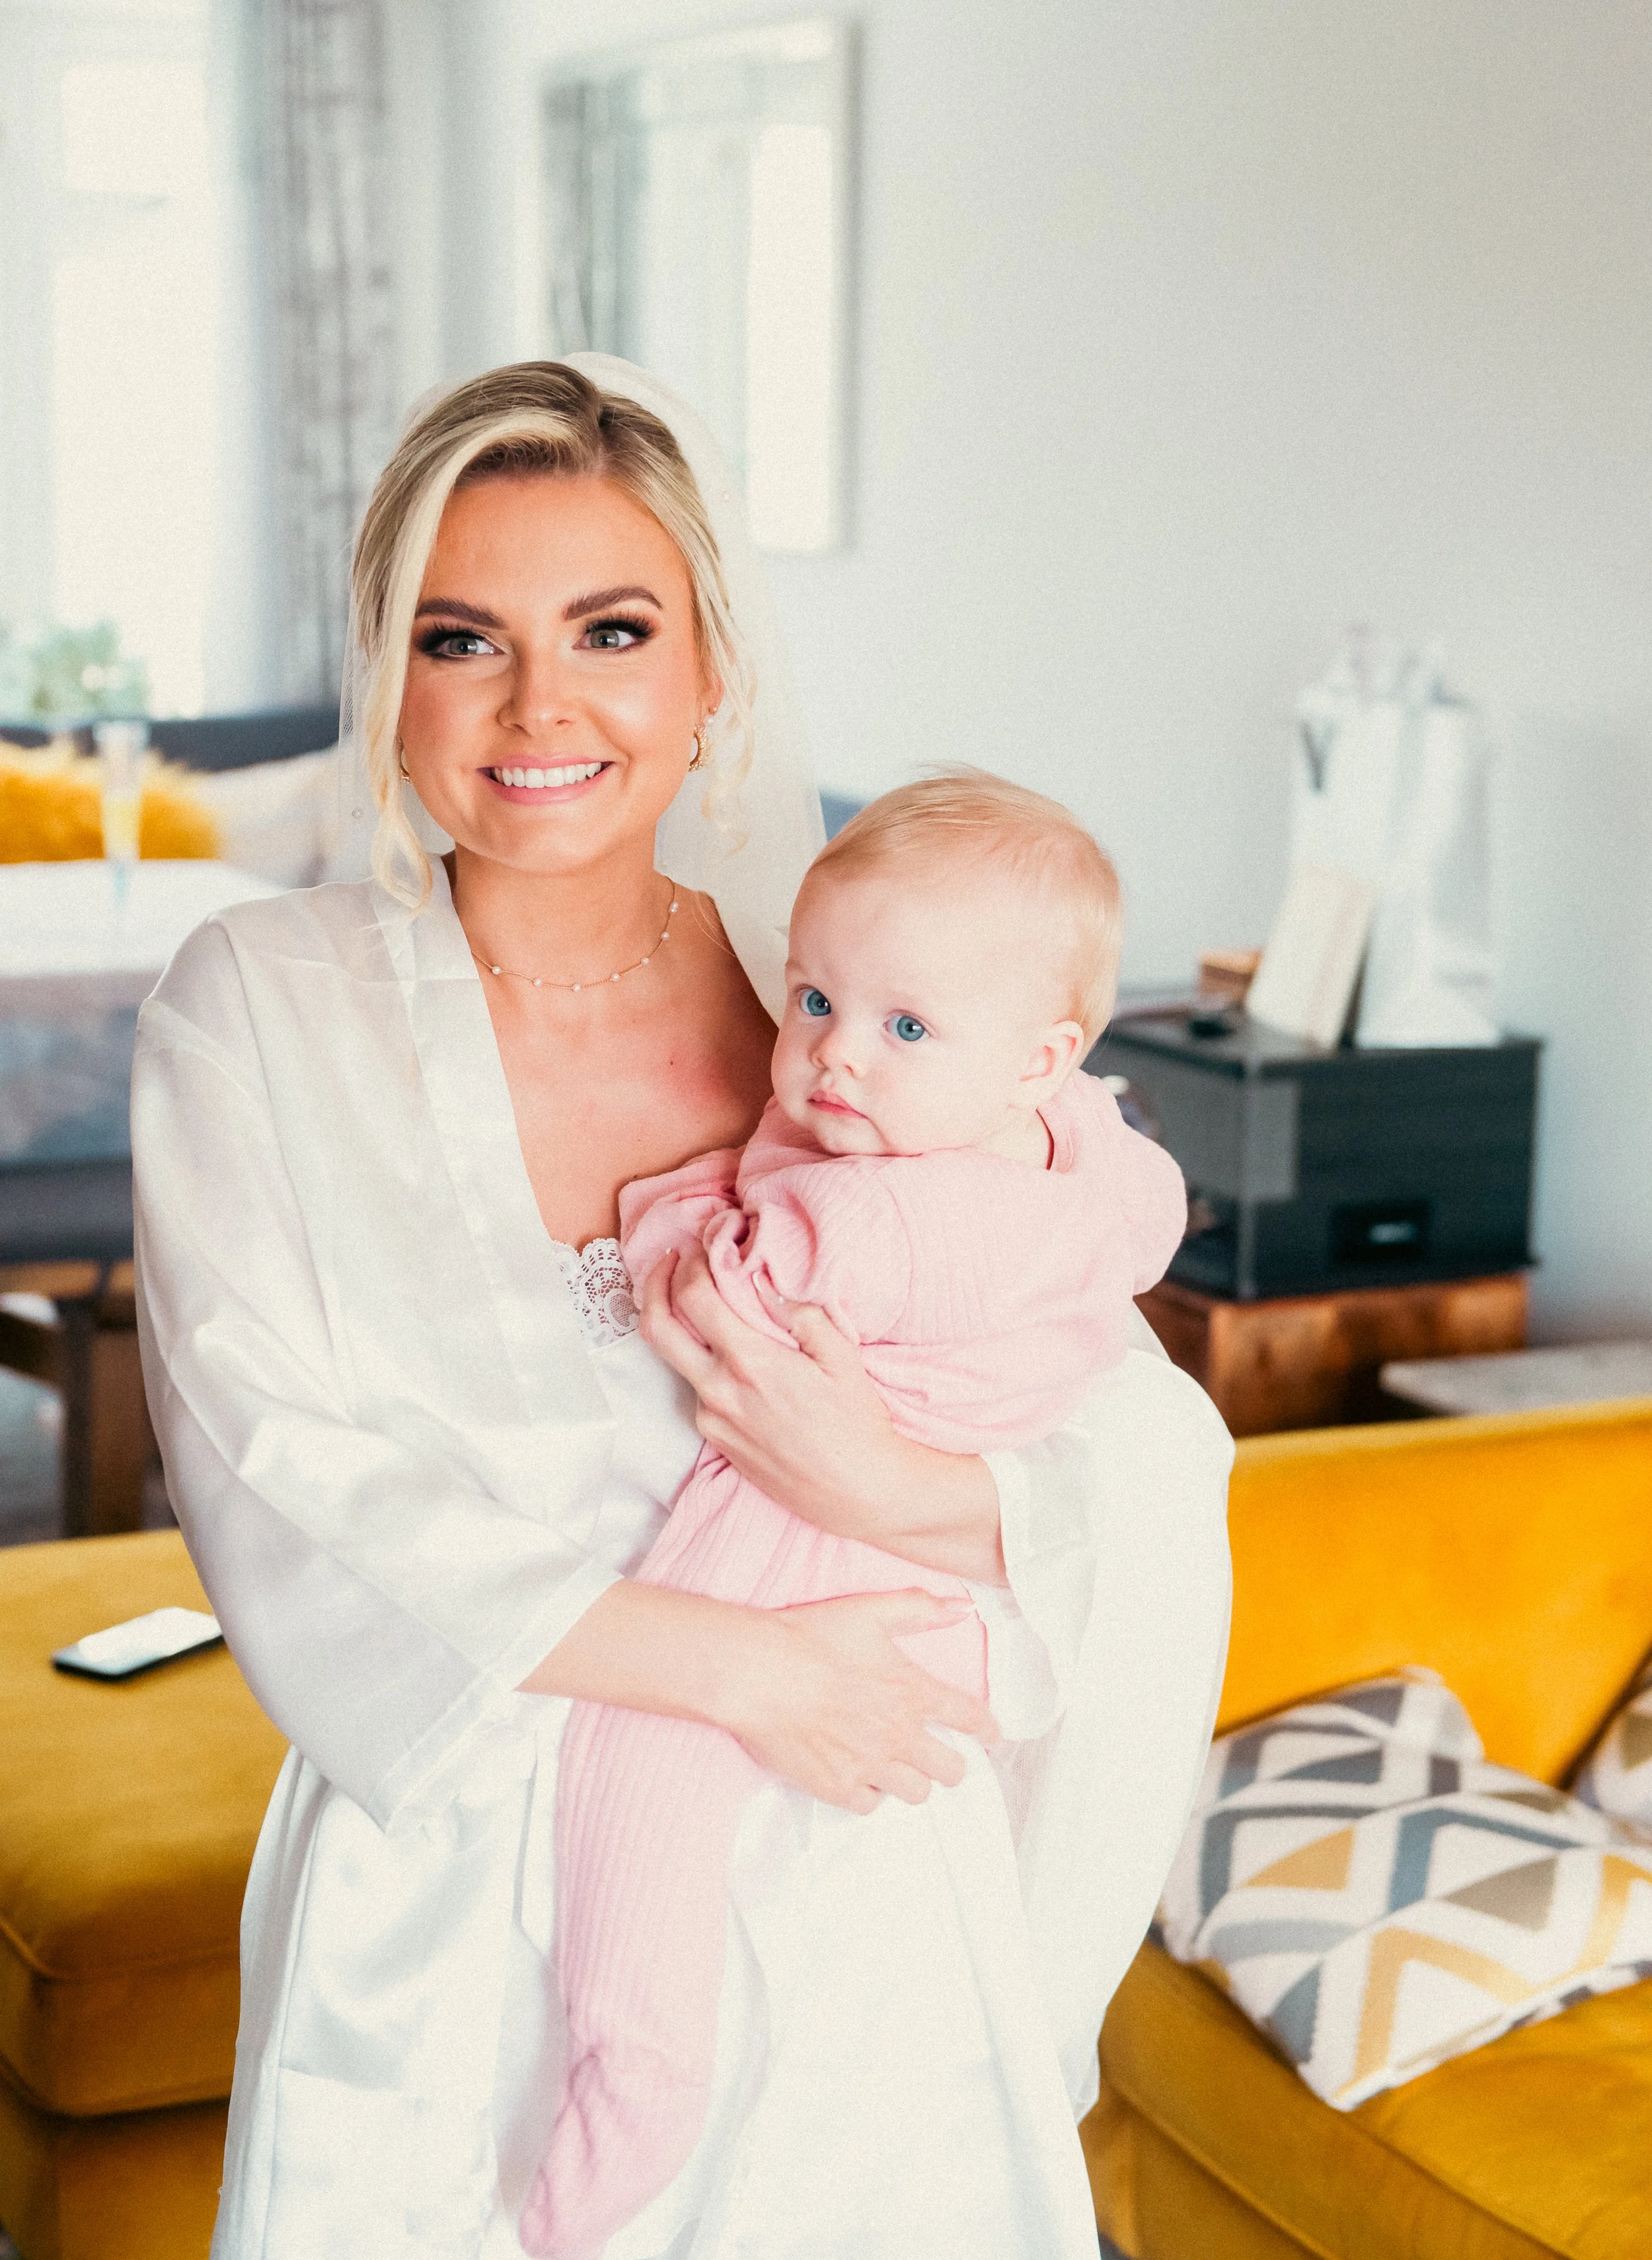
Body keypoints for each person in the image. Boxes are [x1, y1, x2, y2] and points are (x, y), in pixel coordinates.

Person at [132, 355, 1233, 2260]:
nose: (538, 704)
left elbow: (1120, 1424)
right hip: (447, 1909)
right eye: (461, 637)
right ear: (388, 675)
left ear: (712, 666)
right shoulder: (258, 1006)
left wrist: (888, 1489)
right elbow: (270, 1465)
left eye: (612, 630)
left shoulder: (846, 994)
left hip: (856, 1886)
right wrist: (741, 1669)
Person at [533, 771, 1188, 2257]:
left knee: (634, 1749)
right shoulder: (1085, 1151)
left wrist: (670, 1205)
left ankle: (639, 2061)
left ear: (1039, 1057)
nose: (831, 1054)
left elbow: (714, 1293)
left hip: (810, 1536)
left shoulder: (877, 1215)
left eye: (904, 1027)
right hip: (939, 1577)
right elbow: (1139, 1212)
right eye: (815, 997)